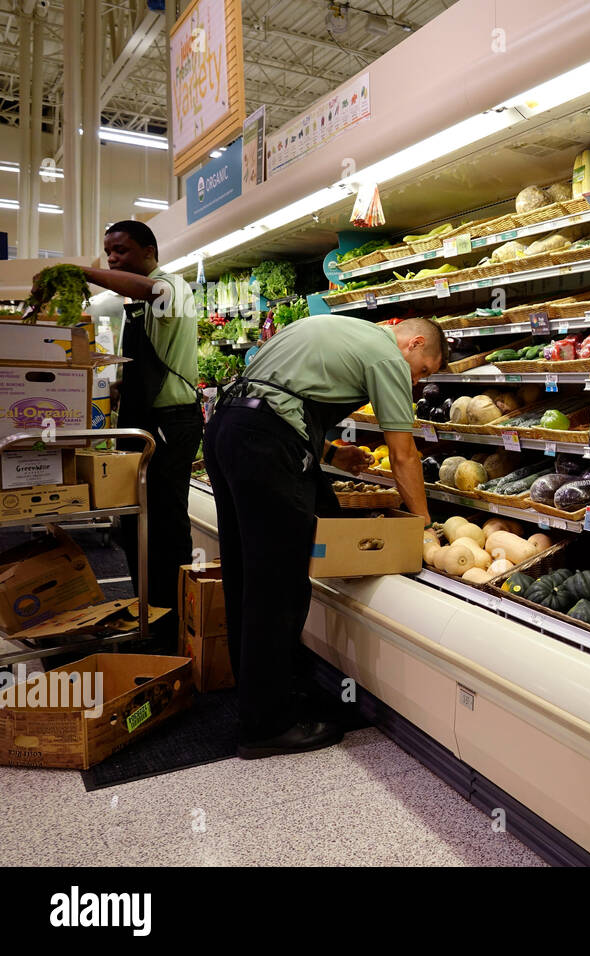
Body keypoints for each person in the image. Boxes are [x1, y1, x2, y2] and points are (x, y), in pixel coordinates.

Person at [205, 314, 441, 759]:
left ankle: (259, 698)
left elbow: (280, 392)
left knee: (246, 573)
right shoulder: (389, 357)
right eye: (424, 369)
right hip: (263, 443)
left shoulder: (339, 328)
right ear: (411, 344)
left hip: (228, 429)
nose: (417, 380)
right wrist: (422, 522)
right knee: (278, 584)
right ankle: (267, 727)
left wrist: (331, 452)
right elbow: (403, 452)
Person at [75, 221, 202, 655]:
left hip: (169, 421)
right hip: (146, 419)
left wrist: (84, 272)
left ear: (150, 250)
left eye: (122, 251)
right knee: (135, 521)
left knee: (164, 524)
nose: (112, 259)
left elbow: (150, 292)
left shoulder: (171, 287)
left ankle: (173, 621)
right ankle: (147, 608)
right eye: (107, 252)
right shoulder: (143, 298)